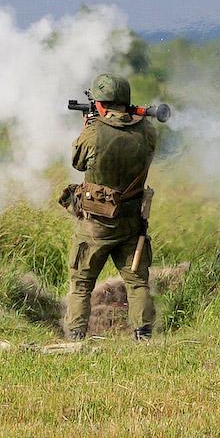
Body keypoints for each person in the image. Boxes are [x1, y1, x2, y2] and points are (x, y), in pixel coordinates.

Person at [61, 74, 158, 341]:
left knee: (81, 282)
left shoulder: (93, 132)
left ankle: (76, 335)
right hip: (131, 220)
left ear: (100, 104)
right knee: (137, 281)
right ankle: (143, 334)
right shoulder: (147, 130)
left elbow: (78, 162)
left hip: (96, 223)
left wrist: (89, 125)